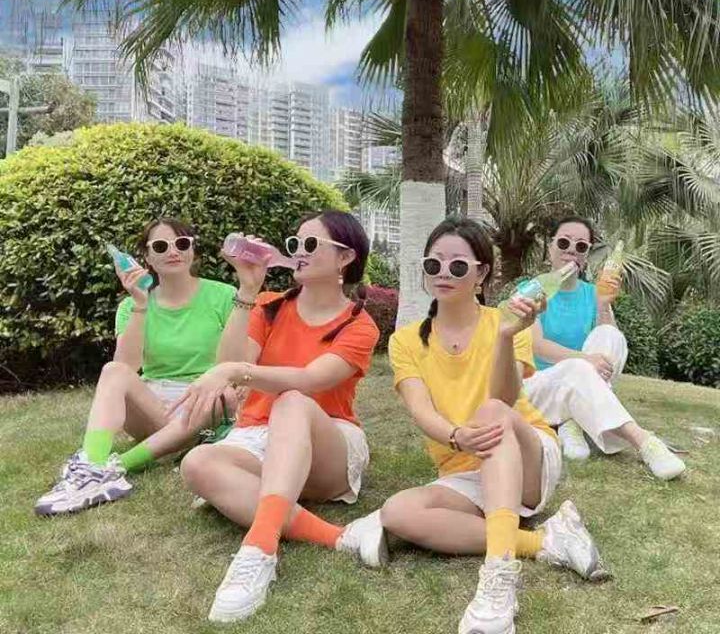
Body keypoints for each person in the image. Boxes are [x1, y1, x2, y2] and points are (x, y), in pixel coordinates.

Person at [380, 216, 606, 634]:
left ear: (481, 273)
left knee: (492, 411)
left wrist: (504, 337)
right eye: (433, 264)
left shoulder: (506, 322)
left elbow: (504, 400)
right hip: (464, 468)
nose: (443, 273)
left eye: (457, 266)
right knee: (397, 513)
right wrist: (455, 436)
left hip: (527, 456)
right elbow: (420, 409)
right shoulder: (406, 340)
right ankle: (545, 541)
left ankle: (499, 573)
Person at [177, 210, 383, 624]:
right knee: (196, 462)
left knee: (292, 400)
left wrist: (240, 373)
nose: (299, 252)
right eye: (295, 244)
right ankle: (338, 536)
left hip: (328, 443)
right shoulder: (269, 307)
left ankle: (259, 548)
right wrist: (247, 290)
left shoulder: (359, 325)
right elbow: (228, 363)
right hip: (260, 437)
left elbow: (310, 380)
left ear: (346, 257)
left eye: (311, 244)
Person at [34, 218, 237, 515]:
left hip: (203, 400)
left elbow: (237, 360)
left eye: (182, 244)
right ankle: (91, 466)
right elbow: (127, 366)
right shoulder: (131, 306)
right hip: (154, 406)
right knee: (113, 371)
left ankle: (114, 467)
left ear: (193, 250)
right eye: (161, 246)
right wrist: (141, 304)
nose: (173, 252)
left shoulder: (224, 296)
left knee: (220, 394)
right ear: (147, 257)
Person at [524, 216, 685, 480]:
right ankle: (644, 441)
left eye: (581, 246)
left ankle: (573, 421)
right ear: (550, 247)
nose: (571, 251)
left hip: (583, 381)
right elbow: (537, 346)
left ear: (586, 255)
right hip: (541, 387)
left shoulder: (593, 293)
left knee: (611, 334)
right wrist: (584, 360)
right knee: (577, 368)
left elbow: (610, 344)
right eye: (563, 242)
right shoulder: (533, 289)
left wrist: (603, 305)